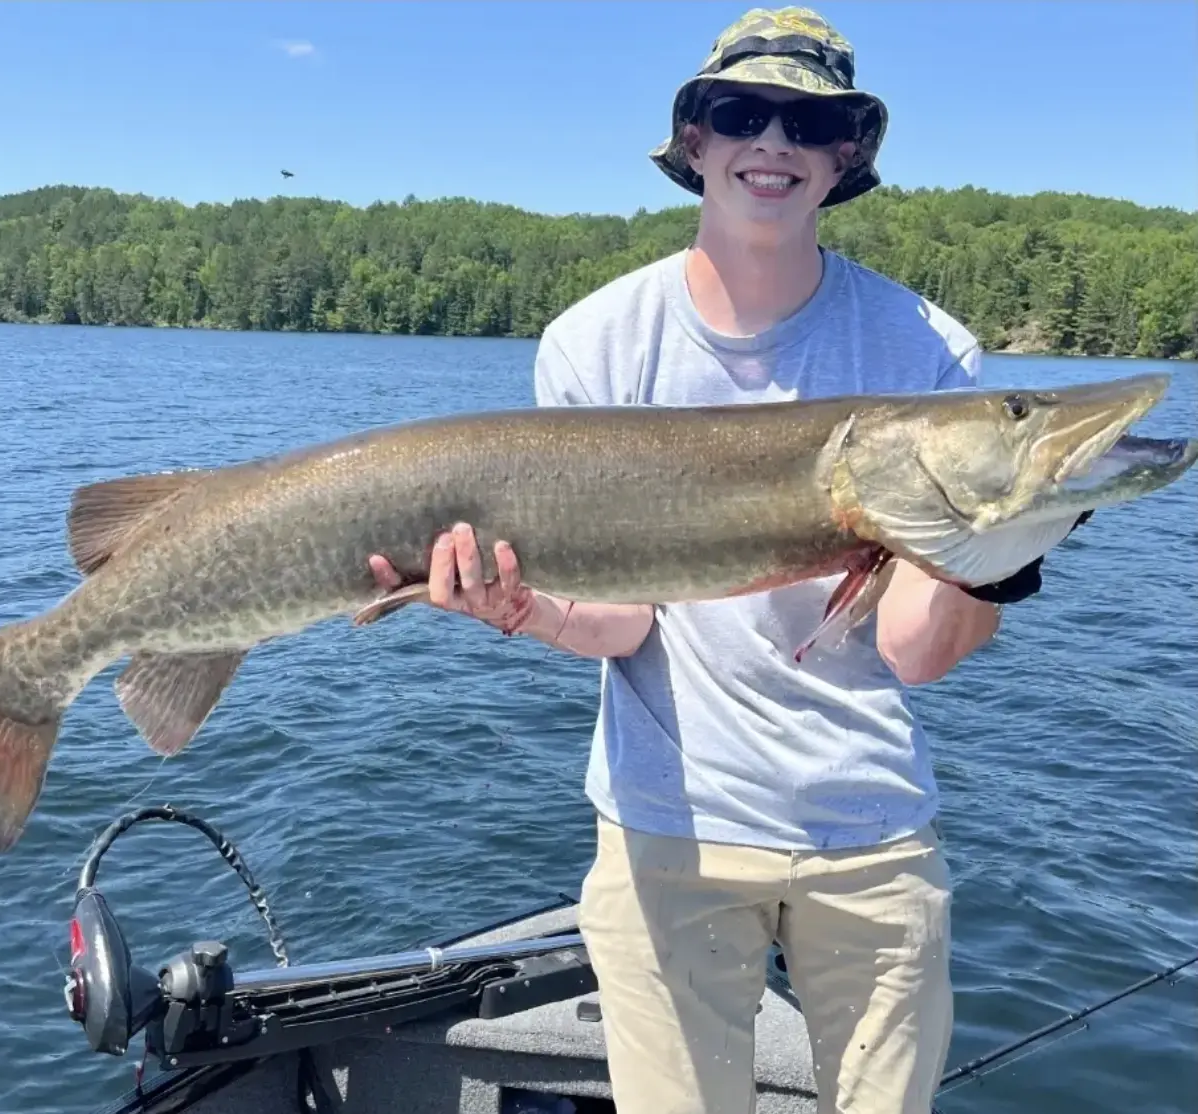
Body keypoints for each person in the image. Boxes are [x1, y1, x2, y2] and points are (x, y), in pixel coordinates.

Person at [369, 7, 1048, 1112]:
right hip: (666, 830)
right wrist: (521, 610)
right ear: (695, 142)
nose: (770, 143)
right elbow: (624, 620)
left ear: (845, 153)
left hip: (869, 833)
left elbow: (914, 652)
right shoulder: (596, 340)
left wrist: (1000, 547)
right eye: (740, 113)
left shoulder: (928, 352)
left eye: (807, 119)